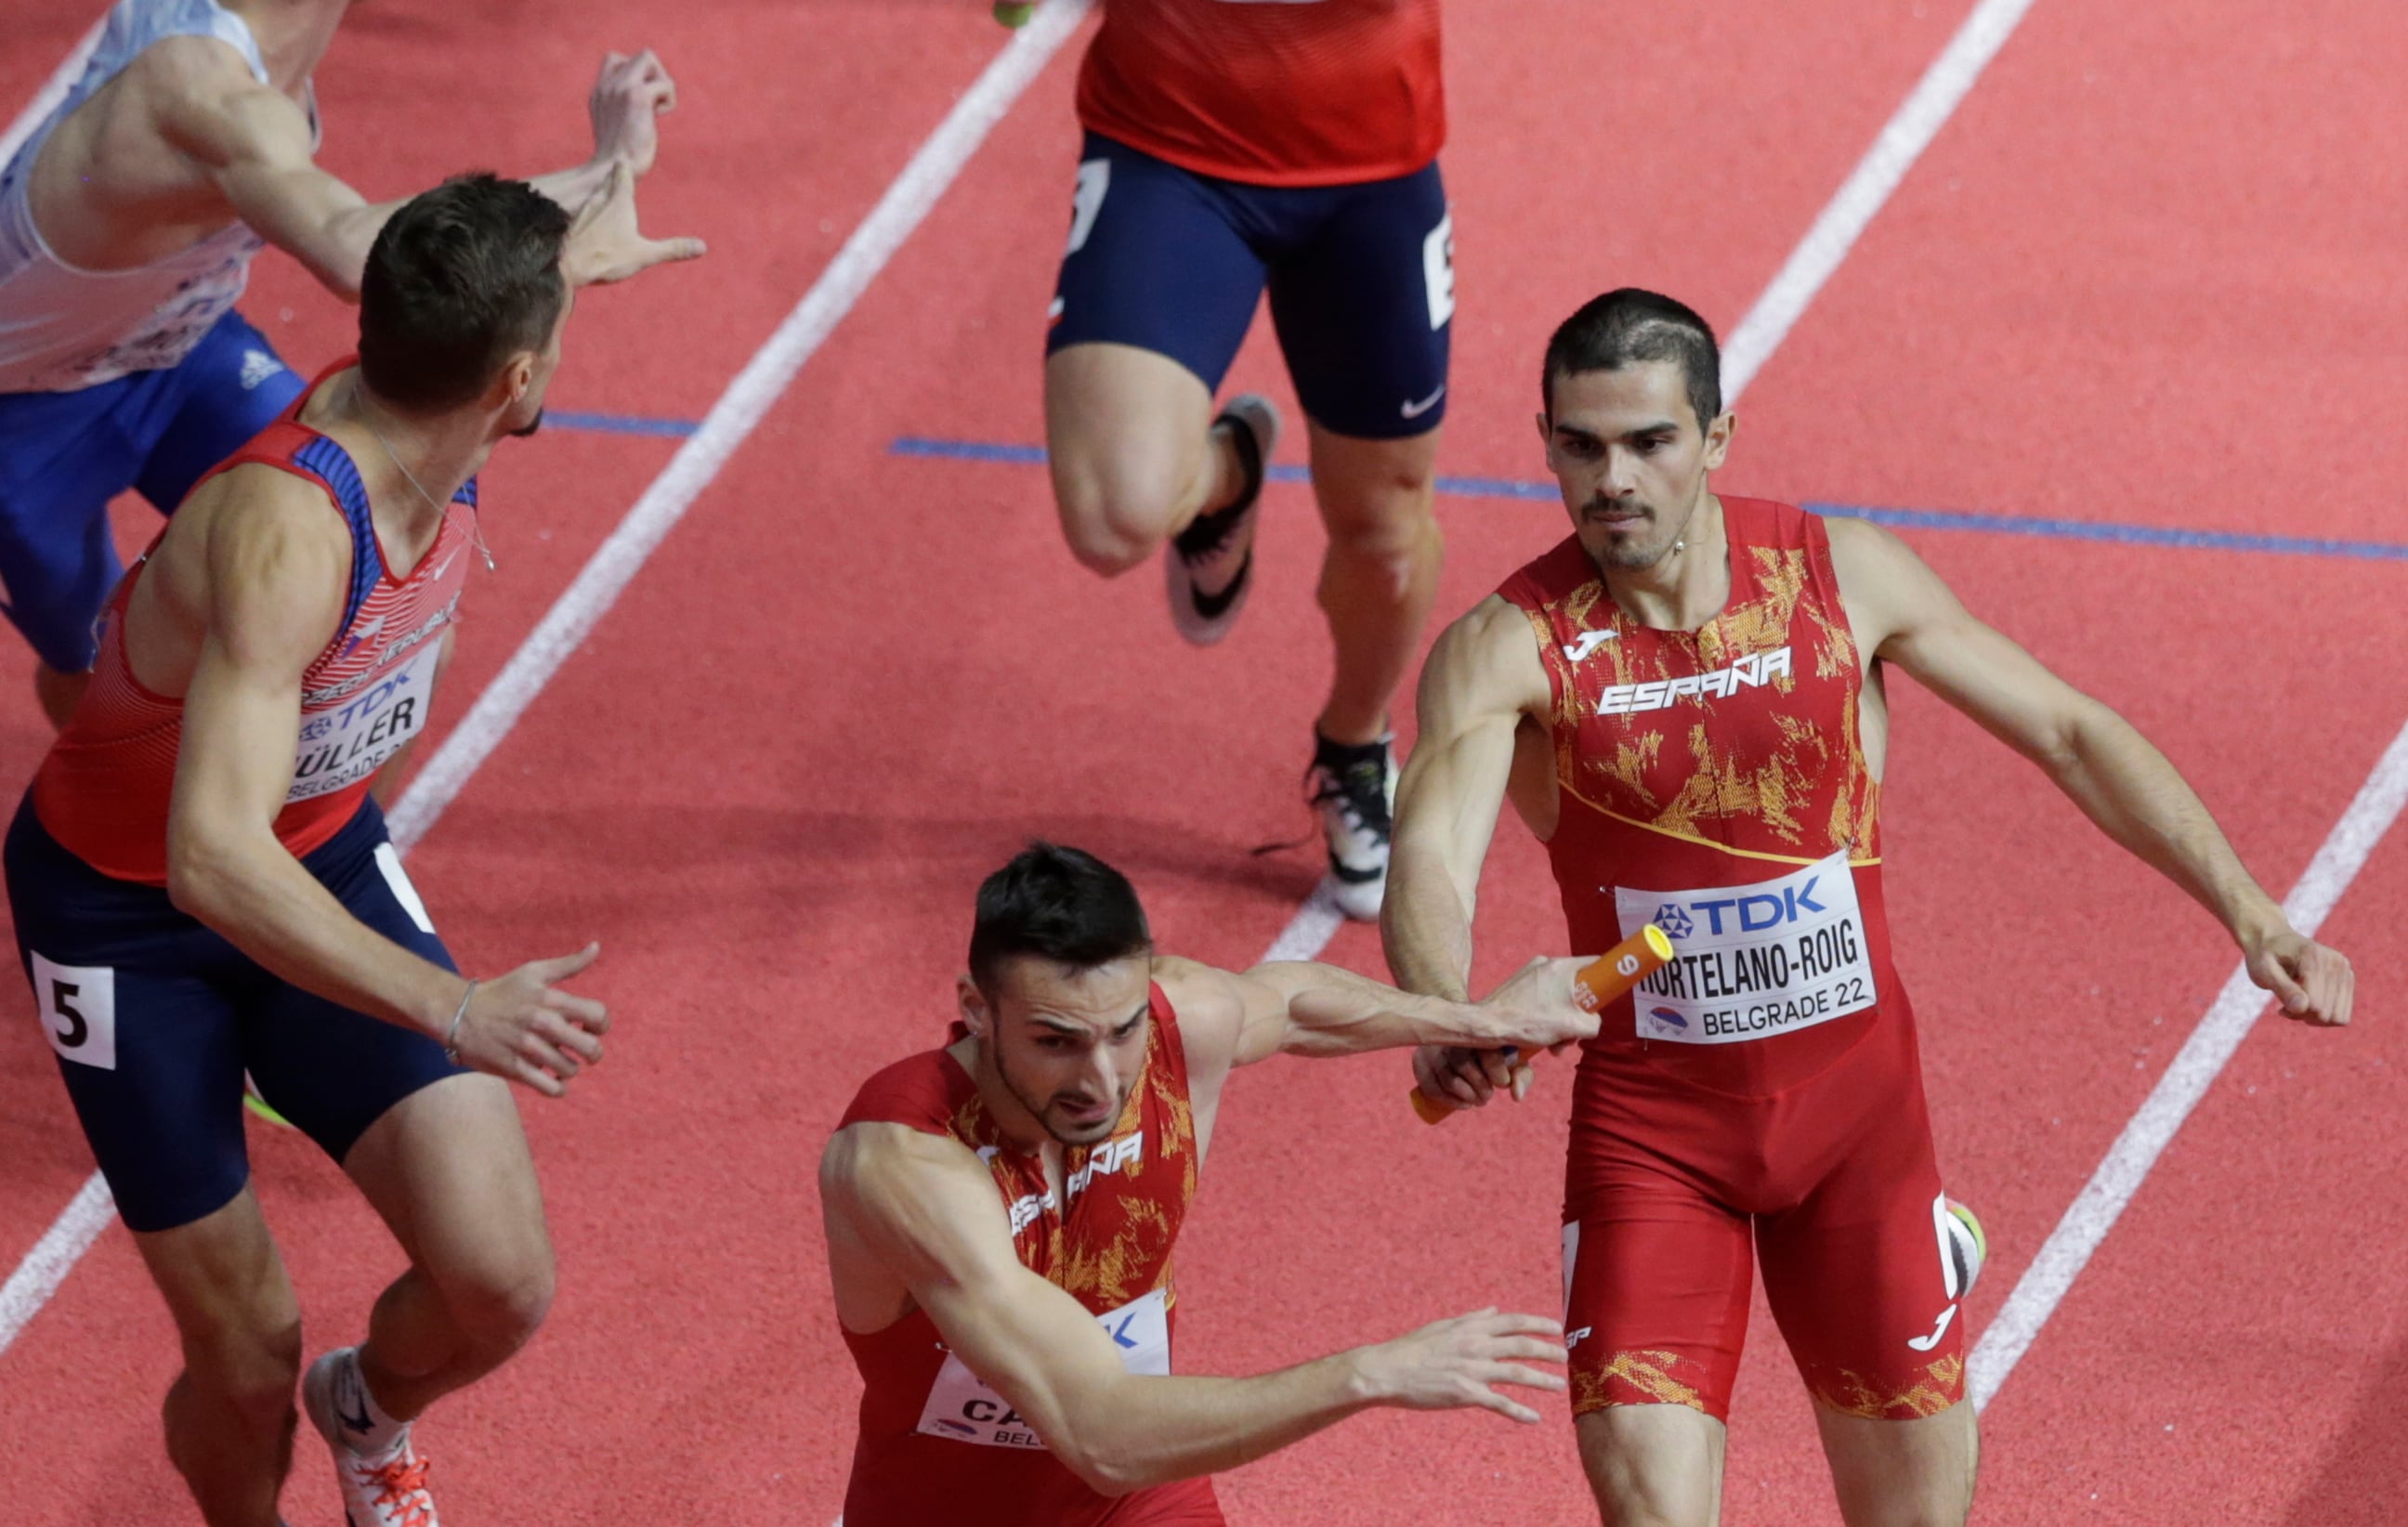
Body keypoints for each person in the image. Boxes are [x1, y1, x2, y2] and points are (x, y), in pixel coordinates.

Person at [1381, 289, 2355, 1525]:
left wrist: (2253, 913)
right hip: (1656, 1144)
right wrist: (1441, 1006)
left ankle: (1921, 1248)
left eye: (1649, 442)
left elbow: (2067, 731)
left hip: (1860, 1137)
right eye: (1581, 445)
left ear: (1717, 437)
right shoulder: (1510, 646)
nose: (1611, 478)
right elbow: (1431, 860)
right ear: (1546, 441)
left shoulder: (1839, 575)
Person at [5, 170, 692, 1527]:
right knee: (247, 1349)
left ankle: (367, 1408)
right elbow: (210, 859)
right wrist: (451, 1003)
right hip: (131, 926)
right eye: (555, 337)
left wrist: (591, 216)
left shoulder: (434, 386)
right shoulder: (291, 536)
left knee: (498, 1283)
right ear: (515, 377)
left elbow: (470, 268)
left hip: (316, 859)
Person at [820, 842, 1600, 1526]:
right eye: (1055, 1041)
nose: (1100, 1080)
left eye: (1121, 1030)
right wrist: (1370, 1373)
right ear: (976, 1009)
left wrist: (1474, 1021)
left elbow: (1292, 1004)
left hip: (1139, 1498)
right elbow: (1099, 1433)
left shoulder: (1174, 1023)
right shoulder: (908, 1165)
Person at [0, 0, 697, 727]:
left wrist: (600, 178)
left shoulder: (272, 43)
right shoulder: (197, 84)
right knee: (93, 673)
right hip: (23, 412)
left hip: (179, 343)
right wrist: (601, 171)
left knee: (404, 633)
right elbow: (356, 251)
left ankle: (350, 842)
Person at [1040, 0, 1451, 920]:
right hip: (1167, 144)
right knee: (1114, 518)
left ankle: (1354, 742)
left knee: (1385, 533)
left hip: (1370, 164)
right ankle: (1227, 474)